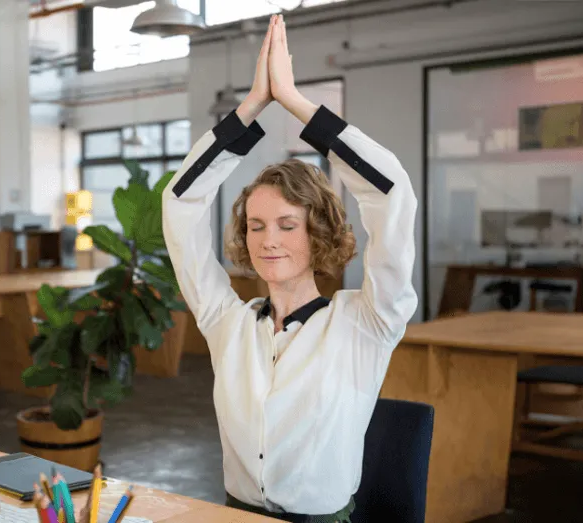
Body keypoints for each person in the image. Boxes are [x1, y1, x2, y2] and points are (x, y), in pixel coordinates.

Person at [161, 14, 417, 523]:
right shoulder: (226, 323)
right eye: (255, 226)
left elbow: (391, 192)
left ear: (317, 231)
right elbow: (179, 202)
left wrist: (295, 103)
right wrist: (250, 106)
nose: (268, 240)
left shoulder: (367, 323)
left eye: (286, 224)